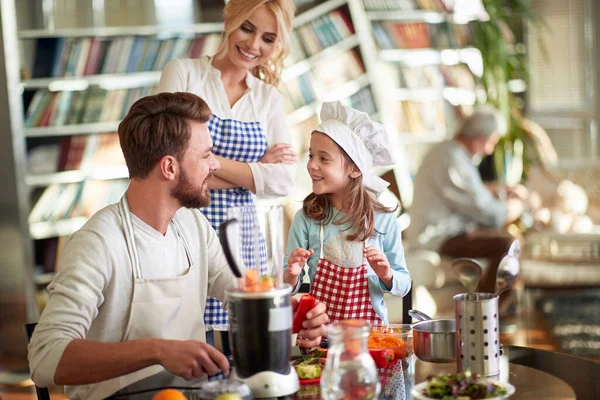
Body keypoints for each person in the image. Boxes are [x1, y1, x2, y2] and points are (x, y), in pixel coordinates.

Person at [27, 92, 328, 400]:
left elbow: (239, 296)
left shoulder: (193, 225)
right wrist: (157, 350)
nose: (215, 165)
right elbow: (45, 358)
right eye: (206, 155)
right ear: (169, 167)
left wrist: (286, 314)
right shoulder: (97, 243)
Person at [157, 0, 297, 347]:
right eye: (247, 28)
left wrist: (201, 163)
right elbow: (167, 160)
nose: (253, 45)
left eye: (268, 38)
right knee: (188, 345)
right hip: (184, 226)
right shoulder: (183, 73)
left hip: (242, 238)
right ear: (228, 19)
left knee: (243, 347)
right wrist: (255, 169)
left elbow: (282, 182)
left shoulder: (268, 98)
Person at [283, 101, 412, 325]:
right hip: (321, 338)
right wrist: (292, 274)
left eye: (323, 158)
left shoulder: (382, 219)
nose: (312, 165)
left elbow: (404, 285)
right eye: (311, 155)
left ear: (354, 169)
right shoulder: (306, 218)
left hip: (371, 340)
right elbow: (286, 286)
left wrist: (386, 274)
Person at [405, 107, 528, 299]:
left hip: (449, 230)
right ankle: (486, 311)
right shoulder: (450, 158)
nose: (490, 150)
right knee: (508, 245)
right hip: (437, 234)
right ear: (479, 137)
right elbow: (487, 213)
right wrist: (514, 208)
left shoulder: (452, 154)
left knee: (509, 241)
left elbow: (473, 194)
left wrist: (498, 189)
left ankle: (491, 306)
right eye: (492, 142)